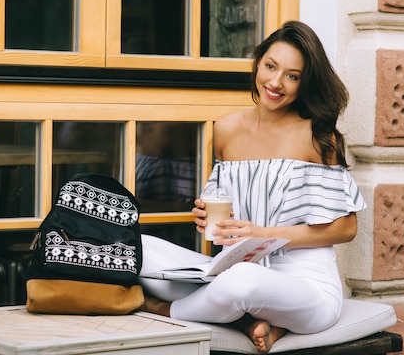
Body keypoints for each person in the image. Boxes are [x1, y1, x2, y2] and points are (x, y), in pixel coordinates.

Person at [139, 21, 366, 353]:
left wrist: (263, 234)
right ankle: (249, 322)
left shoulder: (316, 136)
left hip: (305, 285)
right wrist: (206, 216)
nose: (275, 82)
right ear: (257, 63)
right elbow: (223, 208)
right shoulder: (227, 128)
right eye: (270, 66)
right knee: (136, 249)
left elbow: (346, 228)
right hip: (231, 269)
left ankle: (163, 310)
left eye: (292, 75)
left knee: (242, 282)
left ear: (305, 83)